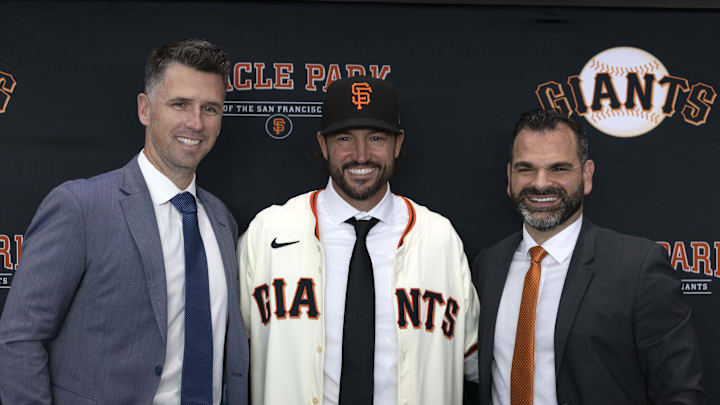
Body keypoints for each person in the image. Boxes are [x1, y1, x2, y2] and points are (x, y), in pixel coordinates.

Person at [0, 39, 248, 405]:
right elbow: (20, 339)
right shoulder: (80, 208)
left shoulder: (221, 220)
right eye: (180, 104)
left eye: (209, 108)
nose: (195, 122)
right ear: (145, 109)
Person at [237, 75, 479, 405]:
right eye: (345, 138)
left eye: (377, 137)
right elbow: (227, 360)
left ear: (398, 143)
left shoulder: (439, 238)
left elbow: (480, 361)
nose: (361, 155)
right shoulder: (268, 232)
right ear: (323, 144)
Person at [472, 108, 705, 405]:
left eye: (559, 169)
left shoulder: (637, 268)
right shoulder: (488, 266)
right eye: (526, 168)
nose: (541, 183)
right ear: (509, 176)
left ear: (587, 175)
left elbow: (680, 391)